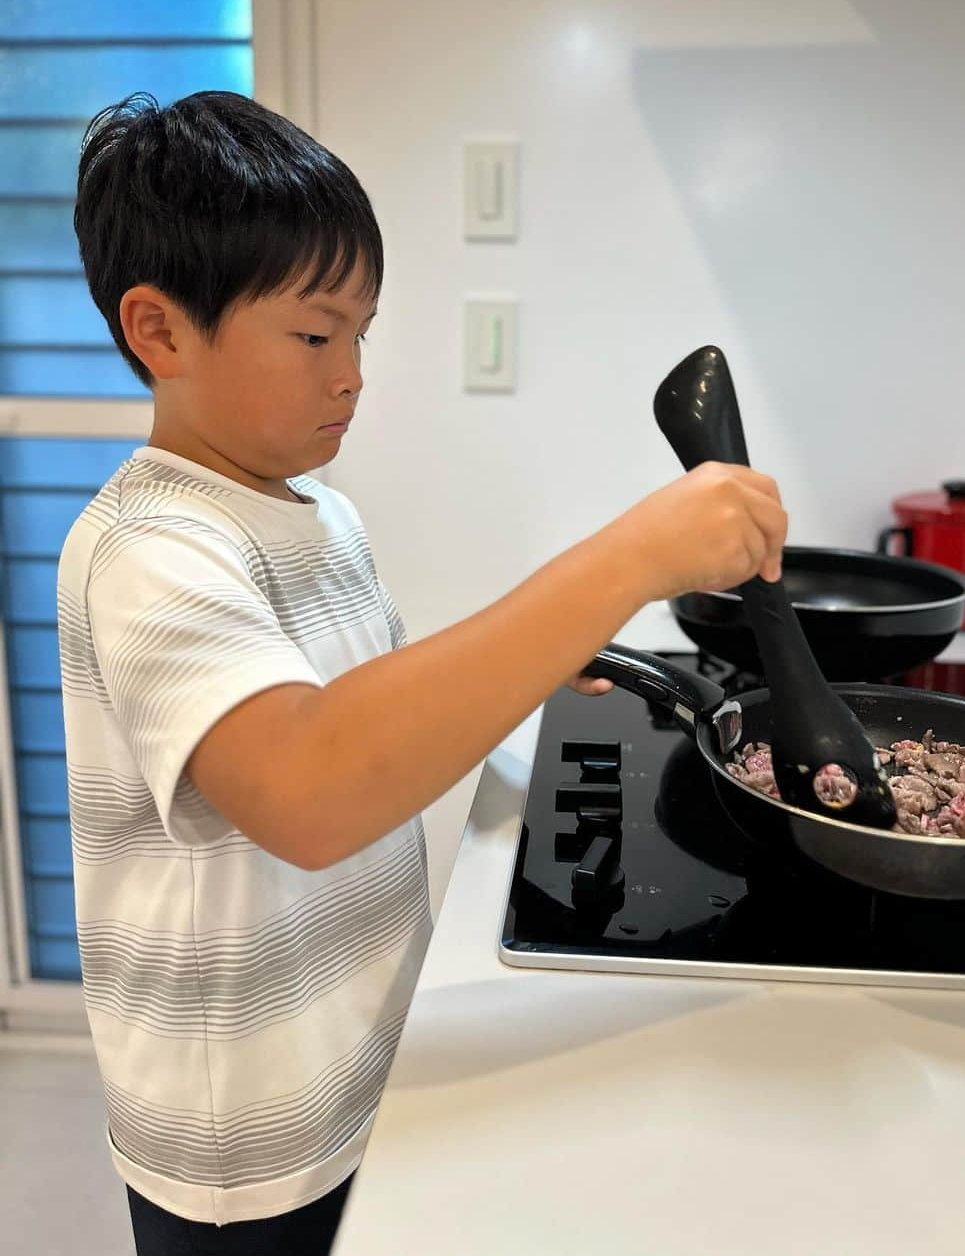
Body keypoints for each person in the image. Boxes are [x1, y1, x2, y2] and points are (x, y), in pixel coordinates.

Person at [58, 89, 787, 1254]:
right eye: (313, 334)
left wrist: (535, 671)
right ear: (160, 332)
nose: (352, 375)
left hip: (353, 1062)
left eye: (361, 333)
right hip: (246, 1138)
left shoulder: (319, 516)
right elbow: (308, 785)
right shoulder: (150, 550)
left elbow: (365, 713)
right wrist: (627, 558)